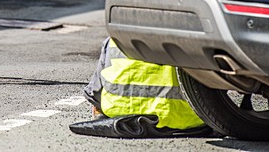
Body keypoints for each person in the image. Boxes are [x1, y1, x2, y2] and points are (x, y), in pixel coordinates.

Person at [69, 37, 212, 138]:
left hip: (117, 111)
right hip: (183, 118)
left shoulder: (116, 36)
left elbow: (92, 94)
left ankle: (100, 110)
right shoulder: (190, 37)